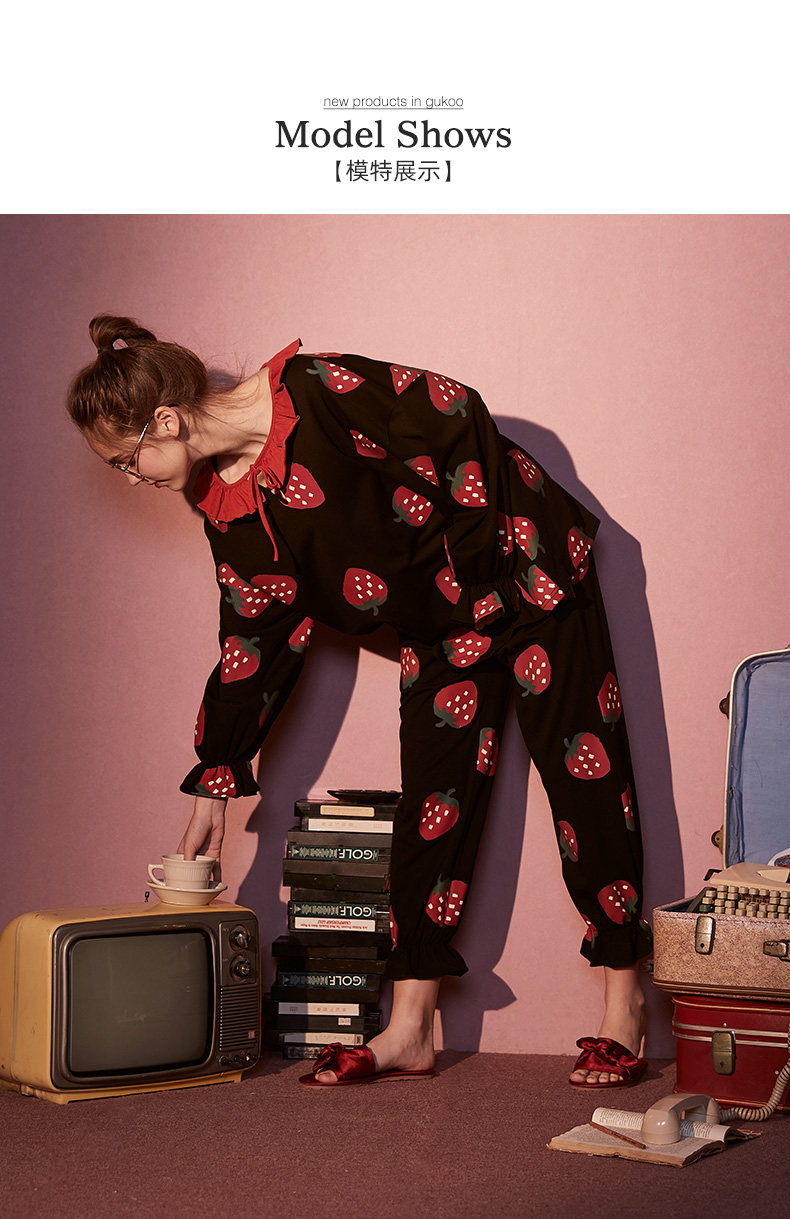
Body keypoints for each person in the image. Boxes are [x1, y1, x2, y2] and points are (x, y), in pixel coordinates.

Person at [67, 314, 653, 1088]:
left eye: (126, 459)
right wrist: (216, 777)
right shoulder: (229, 510)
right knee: (432, 807)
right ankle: (410, 1027)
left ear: (167, 421)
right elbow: (253, 637)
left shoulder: (316, 392)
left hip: (529, 567)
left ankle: (624, 1009)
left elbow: (455, 413)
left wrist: (478, 566)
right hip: (442, 624)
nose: (131, 478)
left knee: (585, 777)